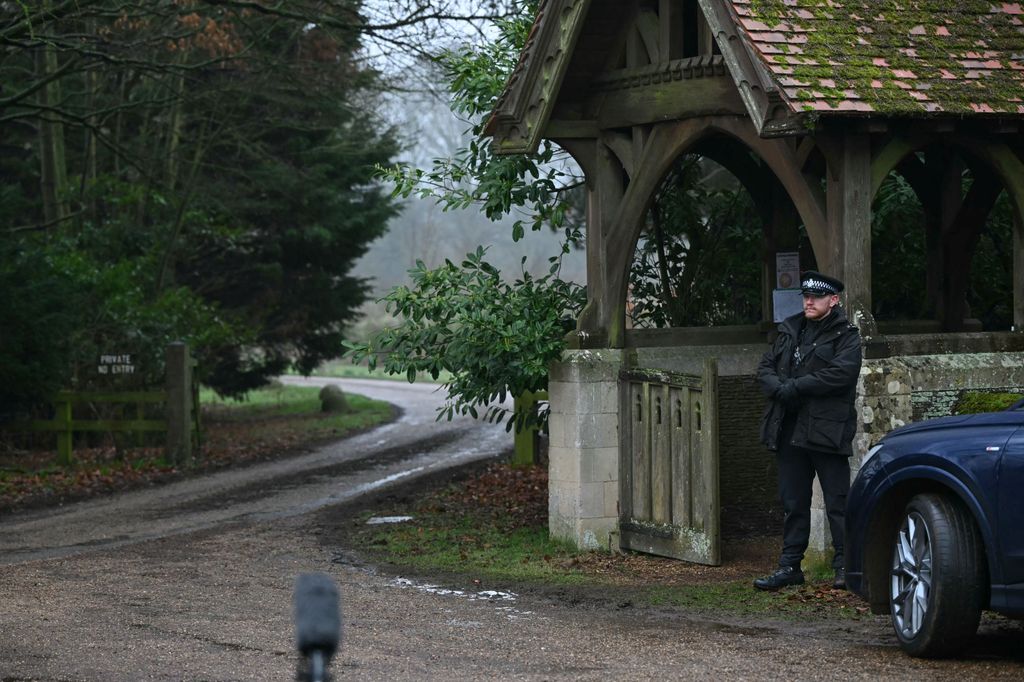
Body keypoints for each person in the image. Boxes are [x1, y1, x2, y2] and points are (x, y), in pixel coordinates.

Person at [753, 270, 862, 591]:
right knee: (793, 502)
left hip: (827, 430)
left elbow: (840, 375)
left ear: (834, 300)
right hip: (789, 429)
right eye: (806, 296)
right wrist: (780, 388)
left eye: (815, 297)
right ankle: (789, 567)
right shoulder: (790, 330)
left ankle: (846, 566)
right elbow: (764, 368)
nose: (809, 301)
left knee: (838, 502)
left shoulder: (847, 335)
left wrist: (794, 388)